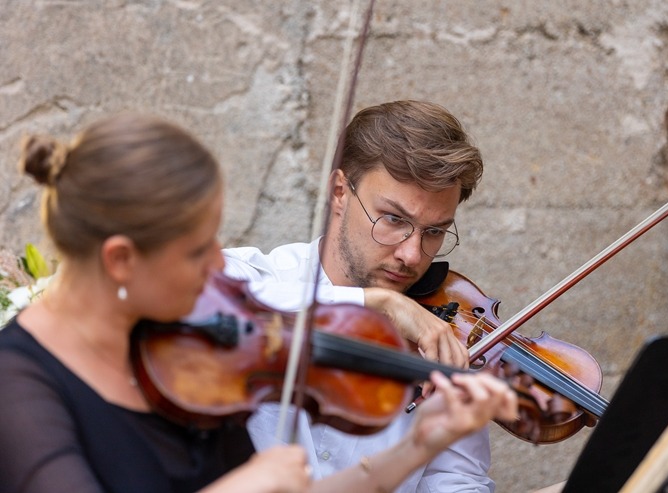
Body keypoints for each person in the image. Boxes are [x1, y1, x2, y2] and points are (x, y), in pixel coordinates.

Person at [0, 113, 518, 493]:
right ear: (119, 261)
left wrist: (422, 445)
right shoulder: (18, 382)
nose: (215, 266)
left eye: (432, 232)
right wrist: (375, 303)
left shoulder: (179, 361)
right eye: (198, 250)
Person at [222, 100, 497, 492]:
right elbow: (208, 306)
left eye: (434, 231)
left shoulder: (440, 342)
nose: (412, 254)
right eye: (394, 220)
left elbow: (457, 479)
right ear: (339, 192)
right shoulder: (256, 277)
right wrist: (376, 304)